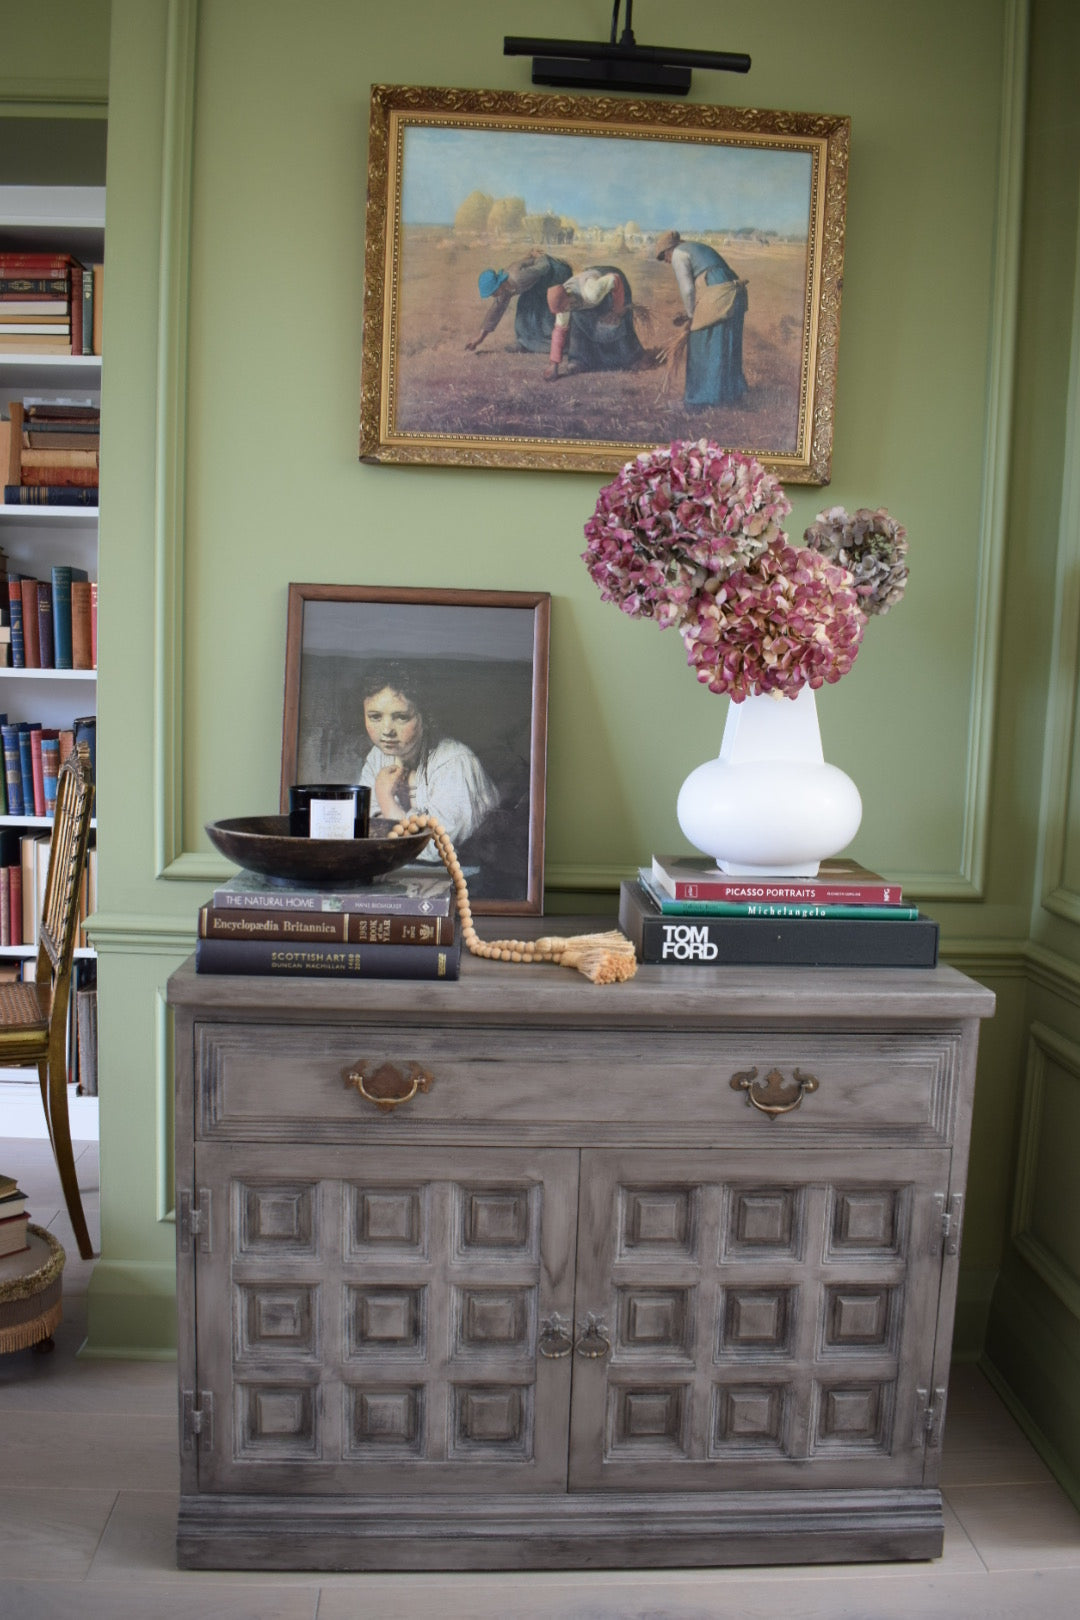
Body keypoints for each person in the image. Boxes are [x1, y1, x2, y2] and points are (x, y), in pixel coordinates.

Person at [357, 662, 499, 861]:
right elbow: (365, 832)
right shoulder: (378, 757)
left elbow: (433, 848)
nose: (386, 730)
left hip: (464, 877)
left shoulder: (455, 762)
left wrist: (386, 801)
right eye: (375, 717)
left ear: (425, 717)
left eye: (401, 717)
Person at [655, 228, 748, 408]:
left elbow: (688, 290)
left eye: (663, 257)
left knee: (700, 342)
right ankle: (729, 394)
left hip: (718, 292)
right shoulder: (694, 247)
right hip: (731, 291)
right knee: (725, 341)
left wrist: (691, 317)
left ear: (669, 251)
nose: (666, 261)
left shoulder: (678, 255)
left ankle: (700, 399)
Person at [543, 264, 647, 381]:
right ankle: (579, 360)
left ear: (567, 299)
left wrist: (617, 311)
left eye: (563, 309)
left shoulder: (591, 292)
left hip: (613, 284)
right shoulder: (563, 305)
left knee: (616, 323)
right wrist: (554, 365)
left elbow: (615, 279)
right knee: (578, 322)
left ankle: (632, 359)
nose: (561, 312)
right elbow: (559, 331)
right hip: (591, 291)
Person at [466, 249, 572, 354]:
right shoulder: (504, 288)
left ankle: (560, 345)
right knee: (524, 308)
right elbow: (495, 311)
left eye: (493, 292)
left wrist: (540, 257)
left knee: (547, 312)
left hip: (556, 273)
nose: (493, 296)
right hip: (540, 280)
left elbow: (545, 267)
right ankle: (524, 343)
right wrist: (479, 338)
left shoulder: (518, 277)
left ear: (498, 285)